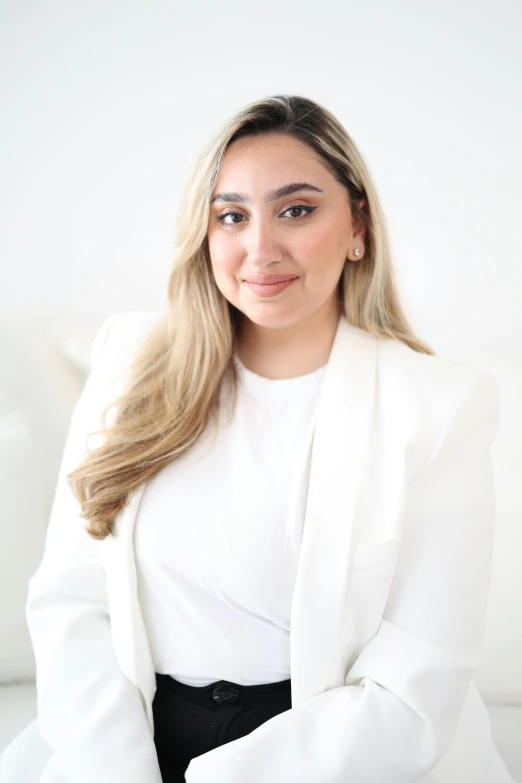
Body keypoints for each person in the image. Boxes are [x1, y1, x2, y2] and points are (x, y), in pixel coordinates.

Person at [0, 94, 514, 783]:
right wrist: (120, 769)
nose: (260, 248)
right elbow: (70, 601)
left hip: (337, 759)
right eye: (232, 216)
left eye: (296, 210)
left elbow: (413, 694)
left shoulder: (440, 407)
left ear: (358, 224)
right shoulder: (130, 359)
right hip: (124, 744)